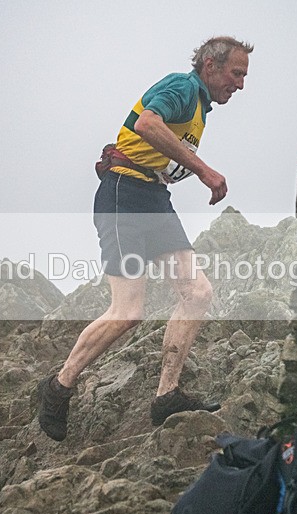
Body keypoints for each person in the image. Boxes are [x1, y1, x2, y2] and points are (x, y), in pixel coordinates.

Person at [38, 36, 253, 442]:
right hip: (124, 193)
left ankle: (166, 395)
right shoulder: (183, 86)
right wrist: (204, 170)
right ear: (210, 65)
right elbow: (147, 123)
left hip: (153, 196)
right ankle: (58, 386)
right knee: (127, 311)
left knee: (197, 293)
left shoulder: (199, 107)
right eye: (236, 73)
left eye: (243, 76)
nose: (240, 84)